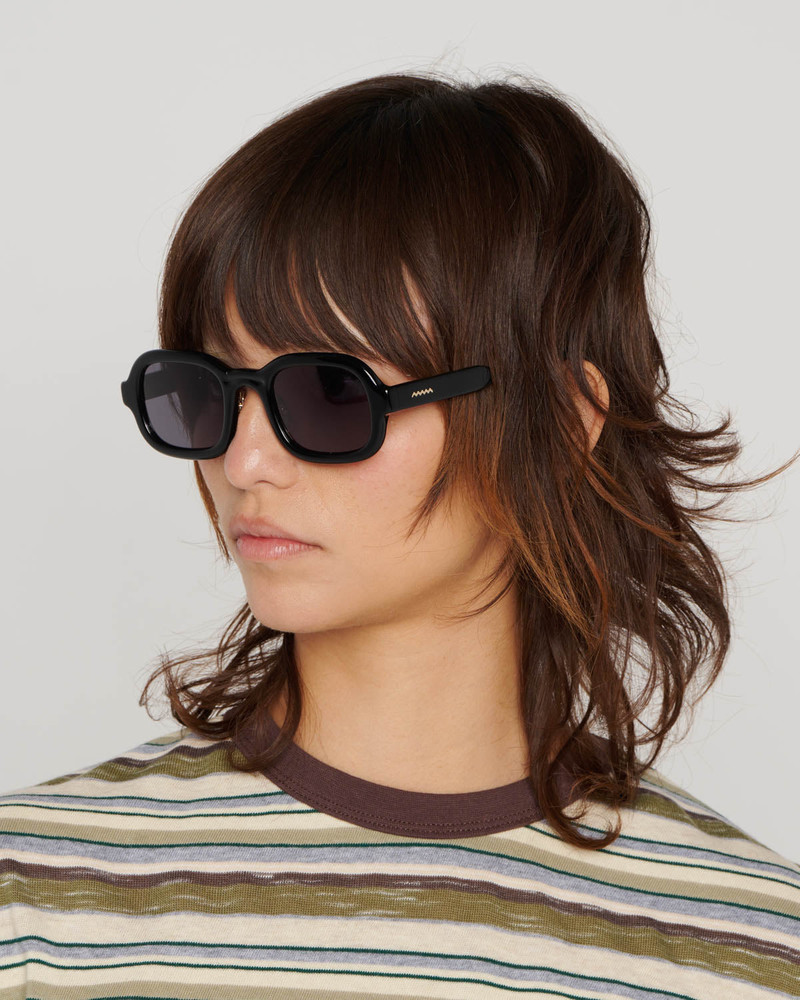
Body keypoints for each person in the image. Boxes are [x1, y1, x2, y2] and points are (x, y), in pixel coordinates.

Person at [1, 69, 799, 999]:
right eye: (210, 393)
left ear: (563, 421)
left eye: (332, 394)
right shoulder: (35, 906)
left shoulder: (749, 953)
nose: (245, 462)